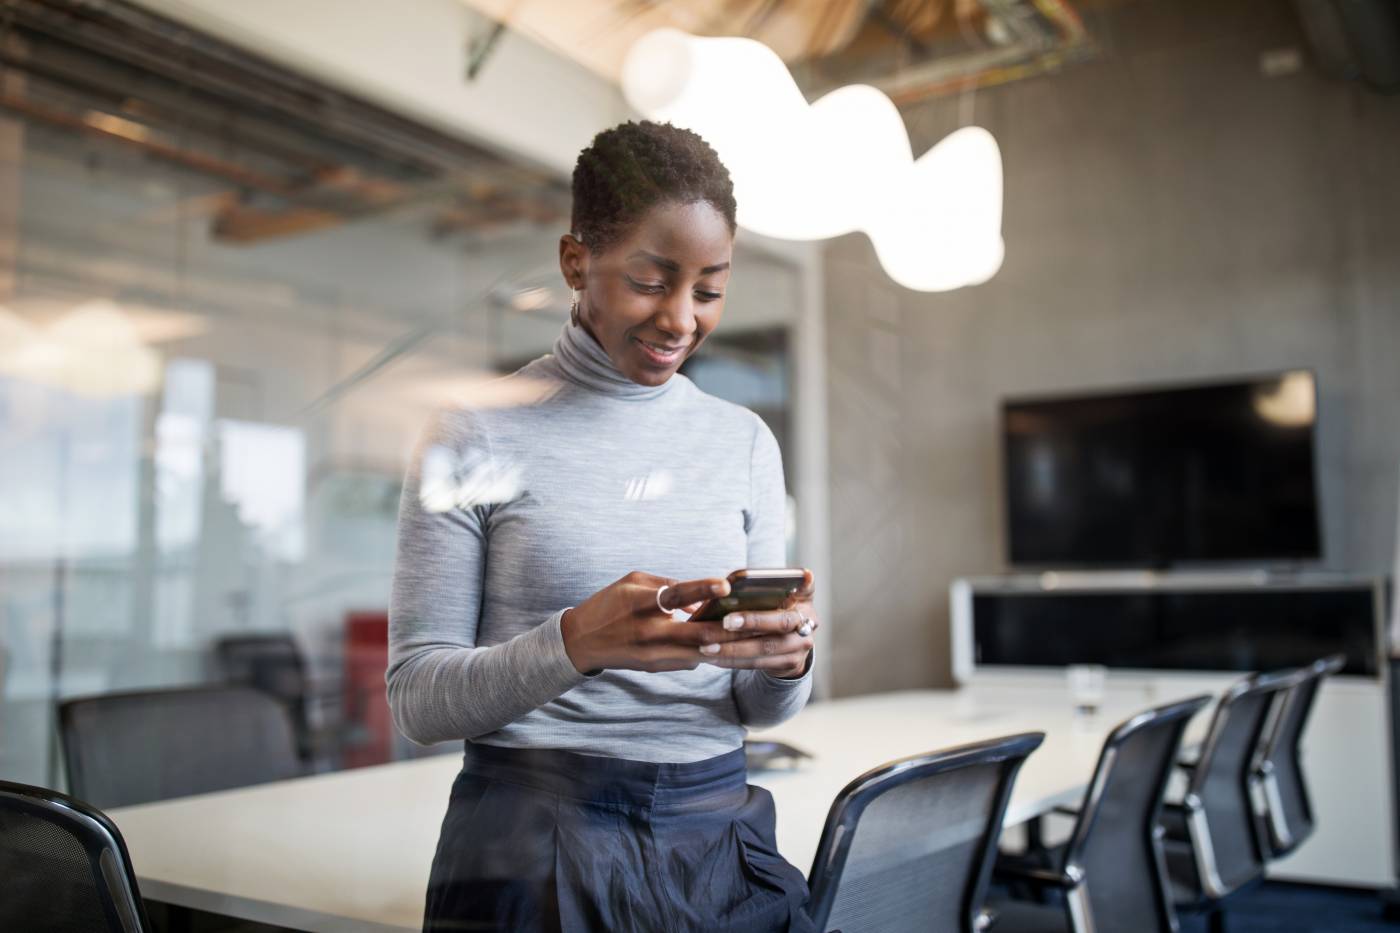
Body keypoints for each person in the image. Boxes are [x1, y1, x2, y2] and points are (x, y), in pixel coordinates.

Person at [387, 120, 820, 933]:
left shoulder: (744, 441)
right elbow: (417, 699)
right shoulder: (476, 430)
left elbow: (758, 707)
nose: (681, 319)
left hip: (718, 833)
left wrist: (788, 658)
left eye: (710, 288)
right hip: (533, 836)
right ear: (576, 261)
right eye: (652, 280)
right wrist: (578, 640)